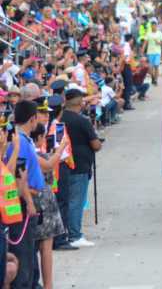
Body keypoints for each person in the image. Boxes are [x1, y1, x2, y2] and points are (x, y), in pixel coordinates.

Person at [4, 100, 44, 288]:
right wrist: (29, 201)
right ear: (32, 118)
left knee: (30, 250)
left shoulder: (24, 140)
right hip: (22, 201)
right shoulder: (19, 142)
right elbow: (20, 176)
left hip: (29, 197)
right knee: (24, 253)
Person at [55, 88, 101, 250]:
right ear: (80, 102)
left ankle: (66, 232)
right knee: (77, 201)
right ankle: (75, 234)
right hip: (80, 165)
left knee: (66, 201)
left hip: (64, 164)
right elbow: (95, 144)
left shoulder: (60, 119)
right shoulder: (83, 121)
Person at [32, 98, 70, 289]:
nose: (46, 116)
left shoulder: (51, 130)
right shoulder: (30, 139)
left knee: (42, 245)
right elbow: (47, 164)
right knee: (40, 245)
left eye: (47, 113)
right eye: (42, 113)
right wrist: (59, 149)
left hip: (47, 191)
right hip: (38, 196)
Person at [143, 19, 162, 85]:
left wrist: (158, 42)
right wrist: (143, 49)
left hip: (157, 52)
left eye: (155, 25)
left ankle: (156, 80)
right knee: (150, 67)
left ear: (156, 26)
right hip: (150, 52)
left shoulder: (159, 33)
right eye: (152, 26)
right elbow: (145, 42)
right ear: (151, 26)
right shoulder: (148, 33)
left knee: (156, 66)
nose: (153, 27)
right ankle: (152, 77)